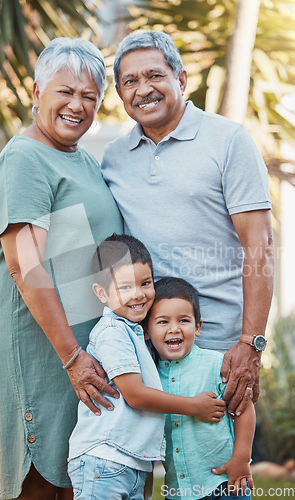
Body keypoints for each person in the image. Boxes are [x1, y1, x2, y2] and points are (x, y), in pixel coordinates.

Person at [101, 30, 274, 416]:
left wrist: (251, 342)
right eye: (130, 81)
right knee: (146, 469)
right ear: (119, 93)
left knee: (217, 469)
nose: (143, 89)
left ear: (180, 79)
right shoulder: (114, 158)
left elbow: (259, 247)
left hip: (220, 350)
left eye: (154, 76)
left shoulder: (229, 140)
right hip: (146, 346)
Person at [0, 38, 123, 500]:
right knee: (39, 484)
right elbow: (26, 266)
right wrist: (72, 358)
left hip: (78, 346)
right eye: (66, 91)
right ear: (38, 91)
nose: (77, 105)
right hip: (43, 347)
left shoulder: (80, 158)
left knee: (75, 480)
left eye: (89, 97)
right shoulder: (25, 157)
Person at [68, 234, 226, 500]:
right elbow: (136, 395)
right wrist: (193, 406)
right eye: (126, 287)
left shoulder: (135, 332)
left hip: (130, 464)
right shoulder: (112, 332)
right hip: (105, 459)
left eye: (146, 283)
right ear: (102, 293)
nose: (139, 294)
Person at [145, 277, 256, 500]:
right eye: (163, 322)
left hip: (225, 483)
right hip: (178, 490)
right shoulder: (149, 377)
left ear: (197, 327)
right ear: (146, 331)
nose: (174, 329)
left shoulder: (217, 364)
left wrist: (241, 459)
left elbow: (244, 409)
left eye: (183, 320)